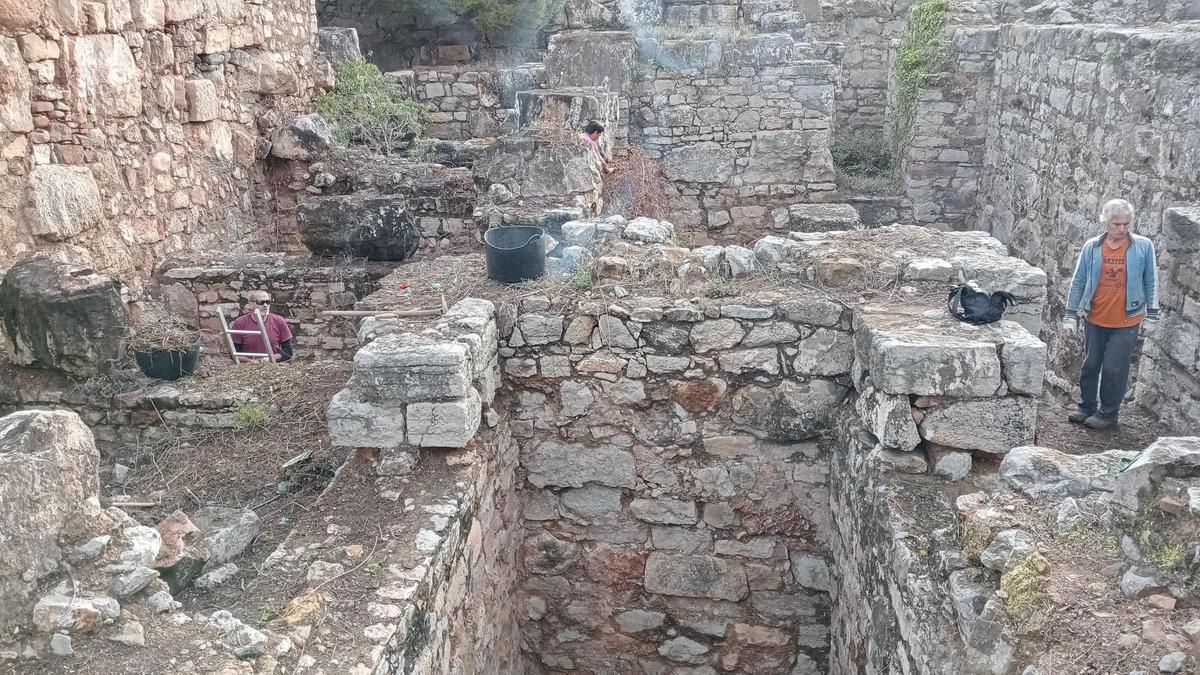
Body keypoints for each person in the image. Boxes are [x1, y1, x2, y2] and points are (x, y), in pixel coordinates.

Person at [1063, 198, 1159, 429]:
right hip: (1095, 316)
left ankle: (1108, 413)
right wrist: (1070, 314)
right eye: (1116, 224)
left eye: (1126, 224)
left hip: (1127, 319)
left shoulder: (1143, 247)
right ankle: (1086, 406)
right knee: (1091, 363)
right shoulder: (1093, 247)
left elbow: (1151, 280)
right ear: (1105, 222)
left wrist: (1153, 314)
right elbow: (1079, 281)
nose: (1122, 229)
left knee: (1115, 367)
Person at [231, 290, 295, 363]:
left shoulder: (279, 321)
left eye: (268, 302)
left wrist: (271, 358)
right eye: (260, 302)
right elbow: (234, 353)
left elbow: (288, 351)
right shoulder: (240, 323)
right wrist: (250, 361)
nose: (265, 305)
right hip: (248, 368)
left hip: (273, 368)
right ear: (250, 304)